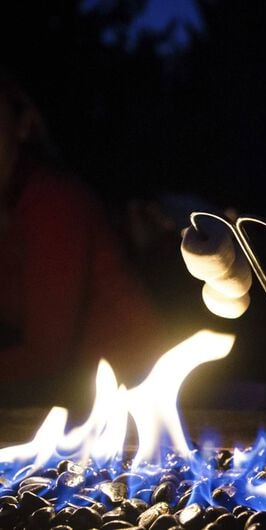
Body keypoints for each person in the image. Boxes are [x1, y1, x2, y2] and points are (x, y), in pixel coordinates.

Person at [0, 70, 168, 399]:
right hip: (70, 403)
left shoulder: (52, 201)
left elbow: (45, 358)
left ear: (21, 125)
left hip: (136, 399)